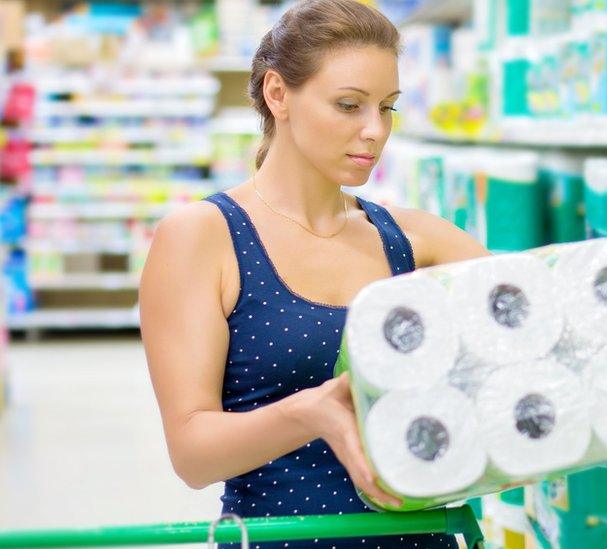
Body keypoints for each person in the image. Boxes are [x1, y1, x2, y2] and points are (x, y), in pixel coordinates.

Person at [139, 1, 487, 547]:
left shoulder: (418, 242)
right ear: (278, 94)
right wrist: (311, 412)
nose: (375, 131)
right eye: (349, 105)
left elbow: (546, 323)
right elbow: (192, 454)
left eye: (388, 108)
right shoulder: (204, 238)